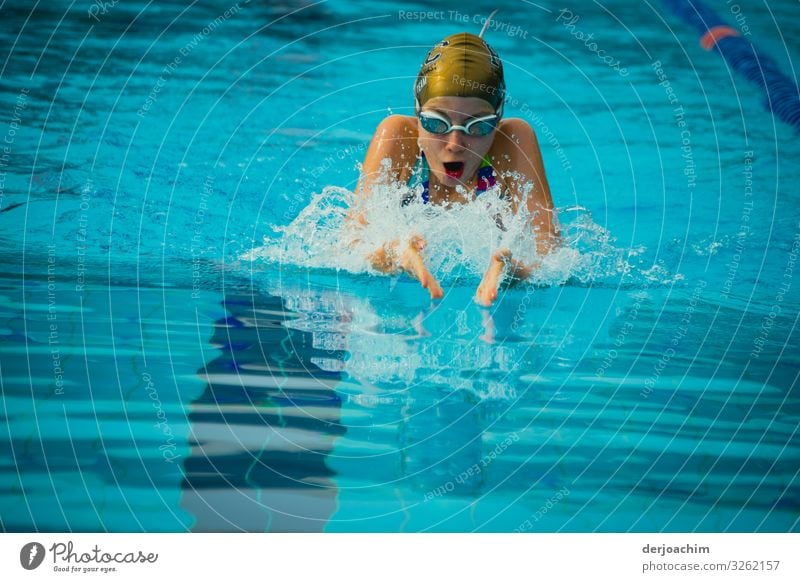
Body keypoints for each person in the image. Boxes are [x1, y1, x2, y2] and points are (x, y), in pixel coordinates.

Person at [350, 18, 559, 306]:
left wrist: (513, 270)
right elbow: (351, 245)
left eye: (479, 126)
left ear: (497, 120)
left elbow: (550, 253)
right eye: (436, 123)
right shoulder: (398, 136)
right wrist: (394, 255)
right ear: (417, 111)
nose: (455, 145)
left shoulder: (511, 140)